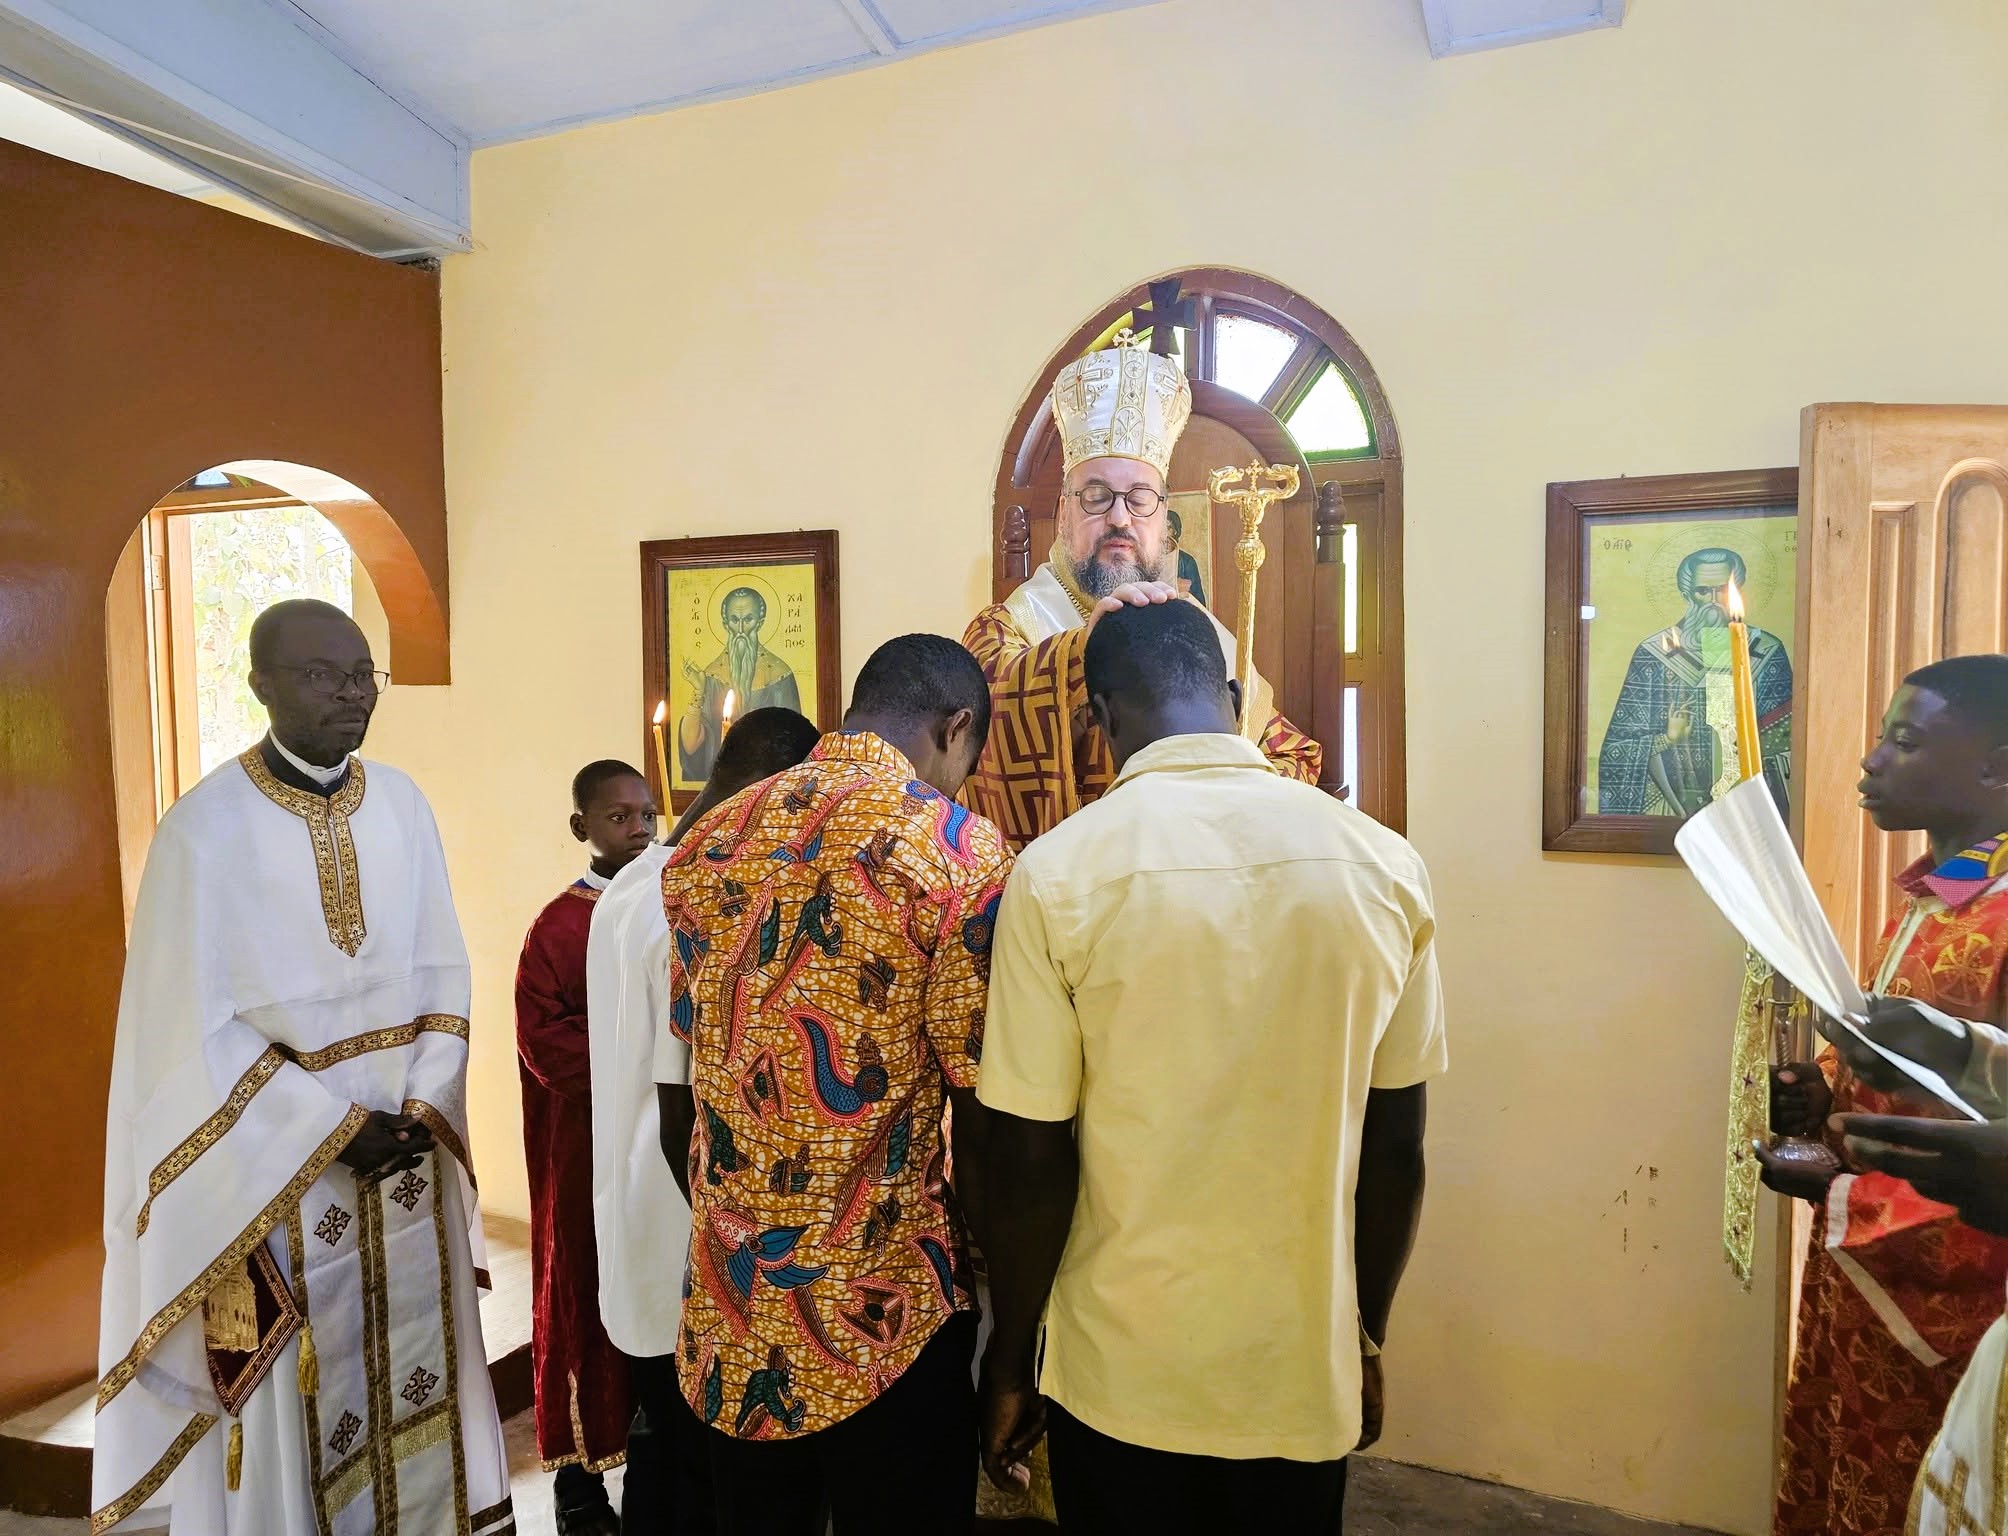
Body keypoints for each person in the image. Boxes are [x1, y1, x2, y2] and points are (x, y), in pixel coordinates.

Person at [975, 600, 1445, 1530]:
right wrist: (1367, 1334)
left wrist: (1010, 1356)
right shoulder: (1384, 866)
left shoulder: (1059, 873)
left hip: (1121, 1365)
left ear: (1098, 719)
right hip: (1297, 1360)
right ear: (1233, 699)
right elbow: (1397, 1149)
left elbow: (1028, 1155)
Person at [93, 598, 510, 1536]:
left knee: (425, 1362)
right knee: (297, 1394)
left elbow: (444, 966)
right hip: (274, 1183)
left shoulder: (403, 802)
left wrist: (422, 1095)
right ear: (261, 685)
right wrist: (328, 1129)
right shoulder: (202, 833)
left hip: (406, 1147)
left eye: (364, 673)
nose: (353, 693)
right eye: (324, 675)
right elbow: (185, 1033)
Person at [654, 636, 1011, 1535]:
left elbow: (700, 1049)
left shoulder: (709, 839)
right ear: (955, 728)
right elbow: (984, 1099)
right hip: (885, 1315)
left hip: (734, 1307)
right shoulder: (956, 849)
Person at [1757, 654, 2008, 1536]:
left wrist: (1840, 1183)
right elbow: (1912, 1086)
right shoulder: (1939, 899)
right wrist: (1820, 1104)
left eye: (1905, 742)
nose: (1869, 762)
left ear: (1997, 768)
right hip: (1868, 1275)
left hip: (1948, 1310)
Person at [588, 708, 819, 1535]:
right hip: (684, 1225)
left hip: (626, 1213)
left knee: (662, 1445)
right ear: (774, 784)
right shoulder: (697, 895)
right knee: (698, 1474)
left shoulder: (624, 885)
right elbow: (679, 1099)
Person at [961, 335, 1321, 852]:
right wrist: (1078, 654)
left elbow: (1294, 755)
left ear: (1164, 521)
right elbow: (985, 708)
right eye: (1096, 495)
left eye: (1139, 498)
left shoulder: (1196, 630)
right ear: (1064, 513)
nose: (1119, 517)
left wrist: (1238, 814)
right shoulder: (1009, 625)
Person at [516, 760, 659, 1533]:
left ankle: (654, 1458)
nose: (638, 829)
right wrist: (644, 1070)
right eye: (618, 817)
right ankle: (577, 1480)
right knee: (578, 1288)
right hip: (581, 1144)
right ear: (582, 828)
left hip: (657, 1143)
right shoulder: (558, 927)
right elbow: (546, 1042)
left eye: (646, 814)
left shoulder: (671, 903)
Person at [1598, 546, 1793, 817]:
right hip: (1674, 810)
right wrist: (1667, 739)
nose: (1713, 601)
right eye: (1704, 591)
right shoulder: (1654, 654)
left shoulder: (1766, 651)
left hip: (1748, 811)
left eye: (1722, 590)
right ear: (1687, 593)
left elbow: (1789, 742)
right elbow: (1618, 749)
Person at [678, 588, 805, 783]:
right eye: (734, 620)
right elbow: (691, 746)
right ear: (724, 623)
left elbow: (794, 747)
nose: (740, 630)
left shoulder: (780, 675)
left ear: (760, 622)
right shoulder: (712, 676)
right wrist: (698, 690)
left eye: (748, 620)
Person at [1165, 506, 1206, 606]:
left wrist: (1184, 591)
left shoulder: (1187, 561)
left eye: (1168, 528)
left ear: (1175, 531)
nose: (1164, 533)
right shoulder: (1150, 559)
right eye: (1160, 528)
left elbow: (1200, 602)